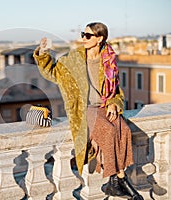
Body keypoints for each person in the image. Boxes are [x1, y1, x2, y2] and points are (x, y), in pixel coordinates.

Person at [33, 22, 143, 199]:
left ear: (99, 39)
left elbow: (116, 91)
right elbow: (51, 72)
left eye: (88, 35)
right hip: (83, 108)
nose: (83, 38)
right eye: (83, 34)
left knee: (123, 130)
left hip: (103, 106)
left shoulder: (108, 59)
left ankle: (114, 183)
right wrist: (43, 53)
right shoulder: (73, 59)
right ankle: (121, 179)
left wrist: (114, 103)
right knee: (108, 131)